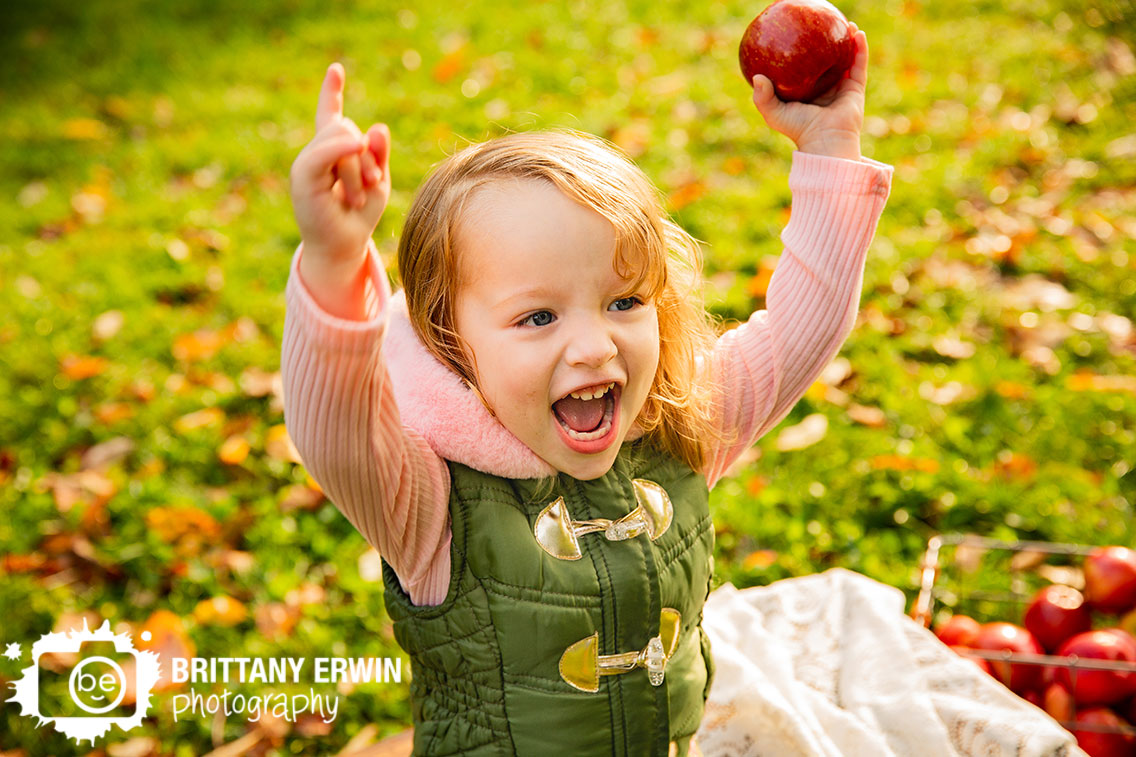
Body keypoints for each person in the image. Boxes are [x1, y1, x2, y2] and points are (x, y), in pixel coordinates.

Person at [282, 24, 891, 757]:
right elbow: (336, 430)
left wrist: (829, 144)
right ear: (452, 341)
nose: (595, 345)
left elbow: (803, 325)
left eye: (623, 302)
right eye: (538, 316)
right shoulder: (431, 504)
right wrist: (335, 257)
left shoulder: (678, 425)